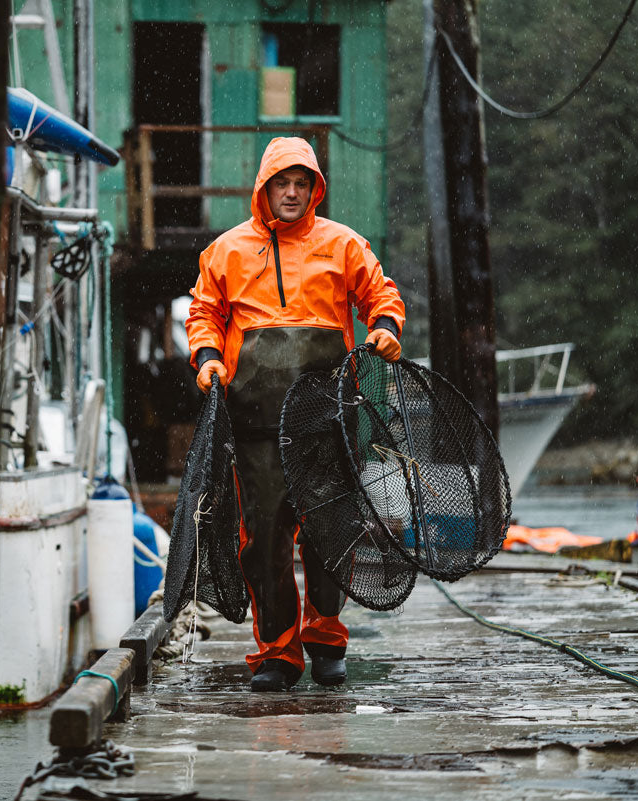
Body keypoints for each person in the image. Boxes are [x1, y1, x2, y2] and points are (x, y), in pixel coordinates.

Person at [185, 136, 405, 691]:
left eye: (300, 183)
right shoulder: (226, 250)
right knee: (263, 541)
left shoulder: (343, 244)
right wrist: (207, 358)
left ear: (314, 189)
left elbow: (381, 295)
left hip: (327, 420)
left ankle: (326, 639)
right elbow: (204, 313)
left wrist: (385, 328)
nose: (291, 192)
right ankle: (278, 652)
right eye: (281, 183)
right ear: (264, 188)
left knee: (331, 531)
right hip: (254, 425)